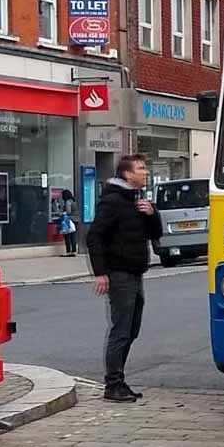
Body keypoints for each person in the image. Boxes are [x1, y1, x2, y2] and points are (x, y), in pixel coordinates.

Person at [87, 154, 162, 403]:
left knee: (132, 329)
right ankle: (113, 384)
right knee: (121, 330)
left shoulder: (137, 200)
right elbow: (94, 237)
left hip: (135, 272)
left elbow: (156, 234)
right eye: (141, 168)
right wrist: (100, 273)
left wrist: (152, 214)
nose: (145, 172)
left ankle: (119, 380)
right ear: (127, 174)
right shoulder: (113, 201)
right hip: (119, 274)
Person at [59, 190, 77, 257]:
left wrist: (62, 213)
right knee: (73, 236)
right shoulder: (73, 201)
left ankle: (68, 251)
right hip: (75, 220)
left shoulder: (68, 202)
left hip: (69, 220)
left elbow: (68, 212)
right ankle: (74, 251)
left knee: (67, 236)